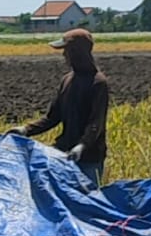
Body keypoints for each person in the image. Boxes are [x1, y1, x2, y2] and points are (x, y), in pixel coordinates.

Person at [7, 28, 110, 185]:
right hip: (63, 152)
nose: (63, 55)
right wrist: (26, 130)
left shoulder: (98, 83)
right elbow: (52, 117)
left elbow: (96, 122)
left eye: (66, 51)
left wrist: (82, 146)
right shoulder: (67, 80)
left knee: (85, 201)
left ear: (76, 52)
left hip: (89, 159)